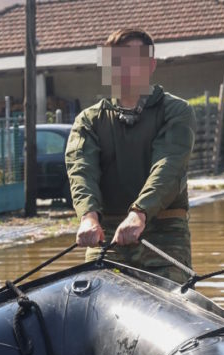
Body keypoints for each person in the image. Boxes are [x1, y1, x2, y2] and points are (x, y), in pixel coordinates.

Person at [66, 29, 196, 282]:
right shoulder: (88, 120)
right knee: (88, 294)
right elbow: (81, 170)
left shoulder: (176, 111)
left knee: (172, 305)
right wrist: (88, 217)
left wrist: (139, 213)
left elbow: (168, 165)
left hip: (164, 232)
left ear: (150, 65)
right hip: (105, 232)